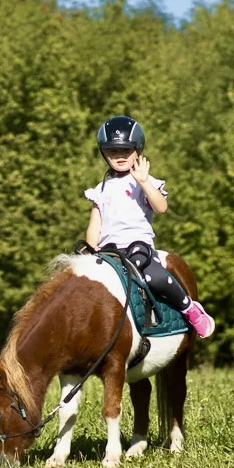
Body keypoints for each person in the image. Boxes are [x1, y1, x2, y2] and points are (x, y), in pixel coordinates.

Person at [84, 115, 215, 337]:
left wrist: (144, 182)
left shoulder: (144, 180)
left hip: (138, 245)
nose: (119, 156)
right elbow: (95, 221)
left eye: (125, 150)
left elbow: (161, 206)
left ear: (137, 150)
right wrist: (90, 247)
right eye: (113, 151)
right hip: (109, 249)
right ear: (103, 153)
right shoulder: (101, 188)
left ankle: (189, 308)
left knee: (151, 275)